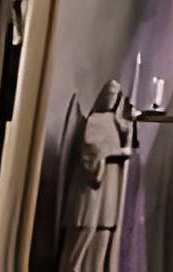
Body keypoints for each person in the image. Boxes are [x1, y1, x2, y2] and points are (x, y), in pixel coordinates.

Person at [59, 80, 134, 272]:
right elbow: (90, 152)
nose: (110, 100)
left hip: (109, 187)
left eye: (114, 96)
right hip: (93, 187)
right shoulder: (94, 120)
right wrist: (117, 153)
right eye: (107, 95)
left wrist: (128, 133)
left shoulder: (118, 123)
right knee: (85, 230)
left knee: (104, 233)